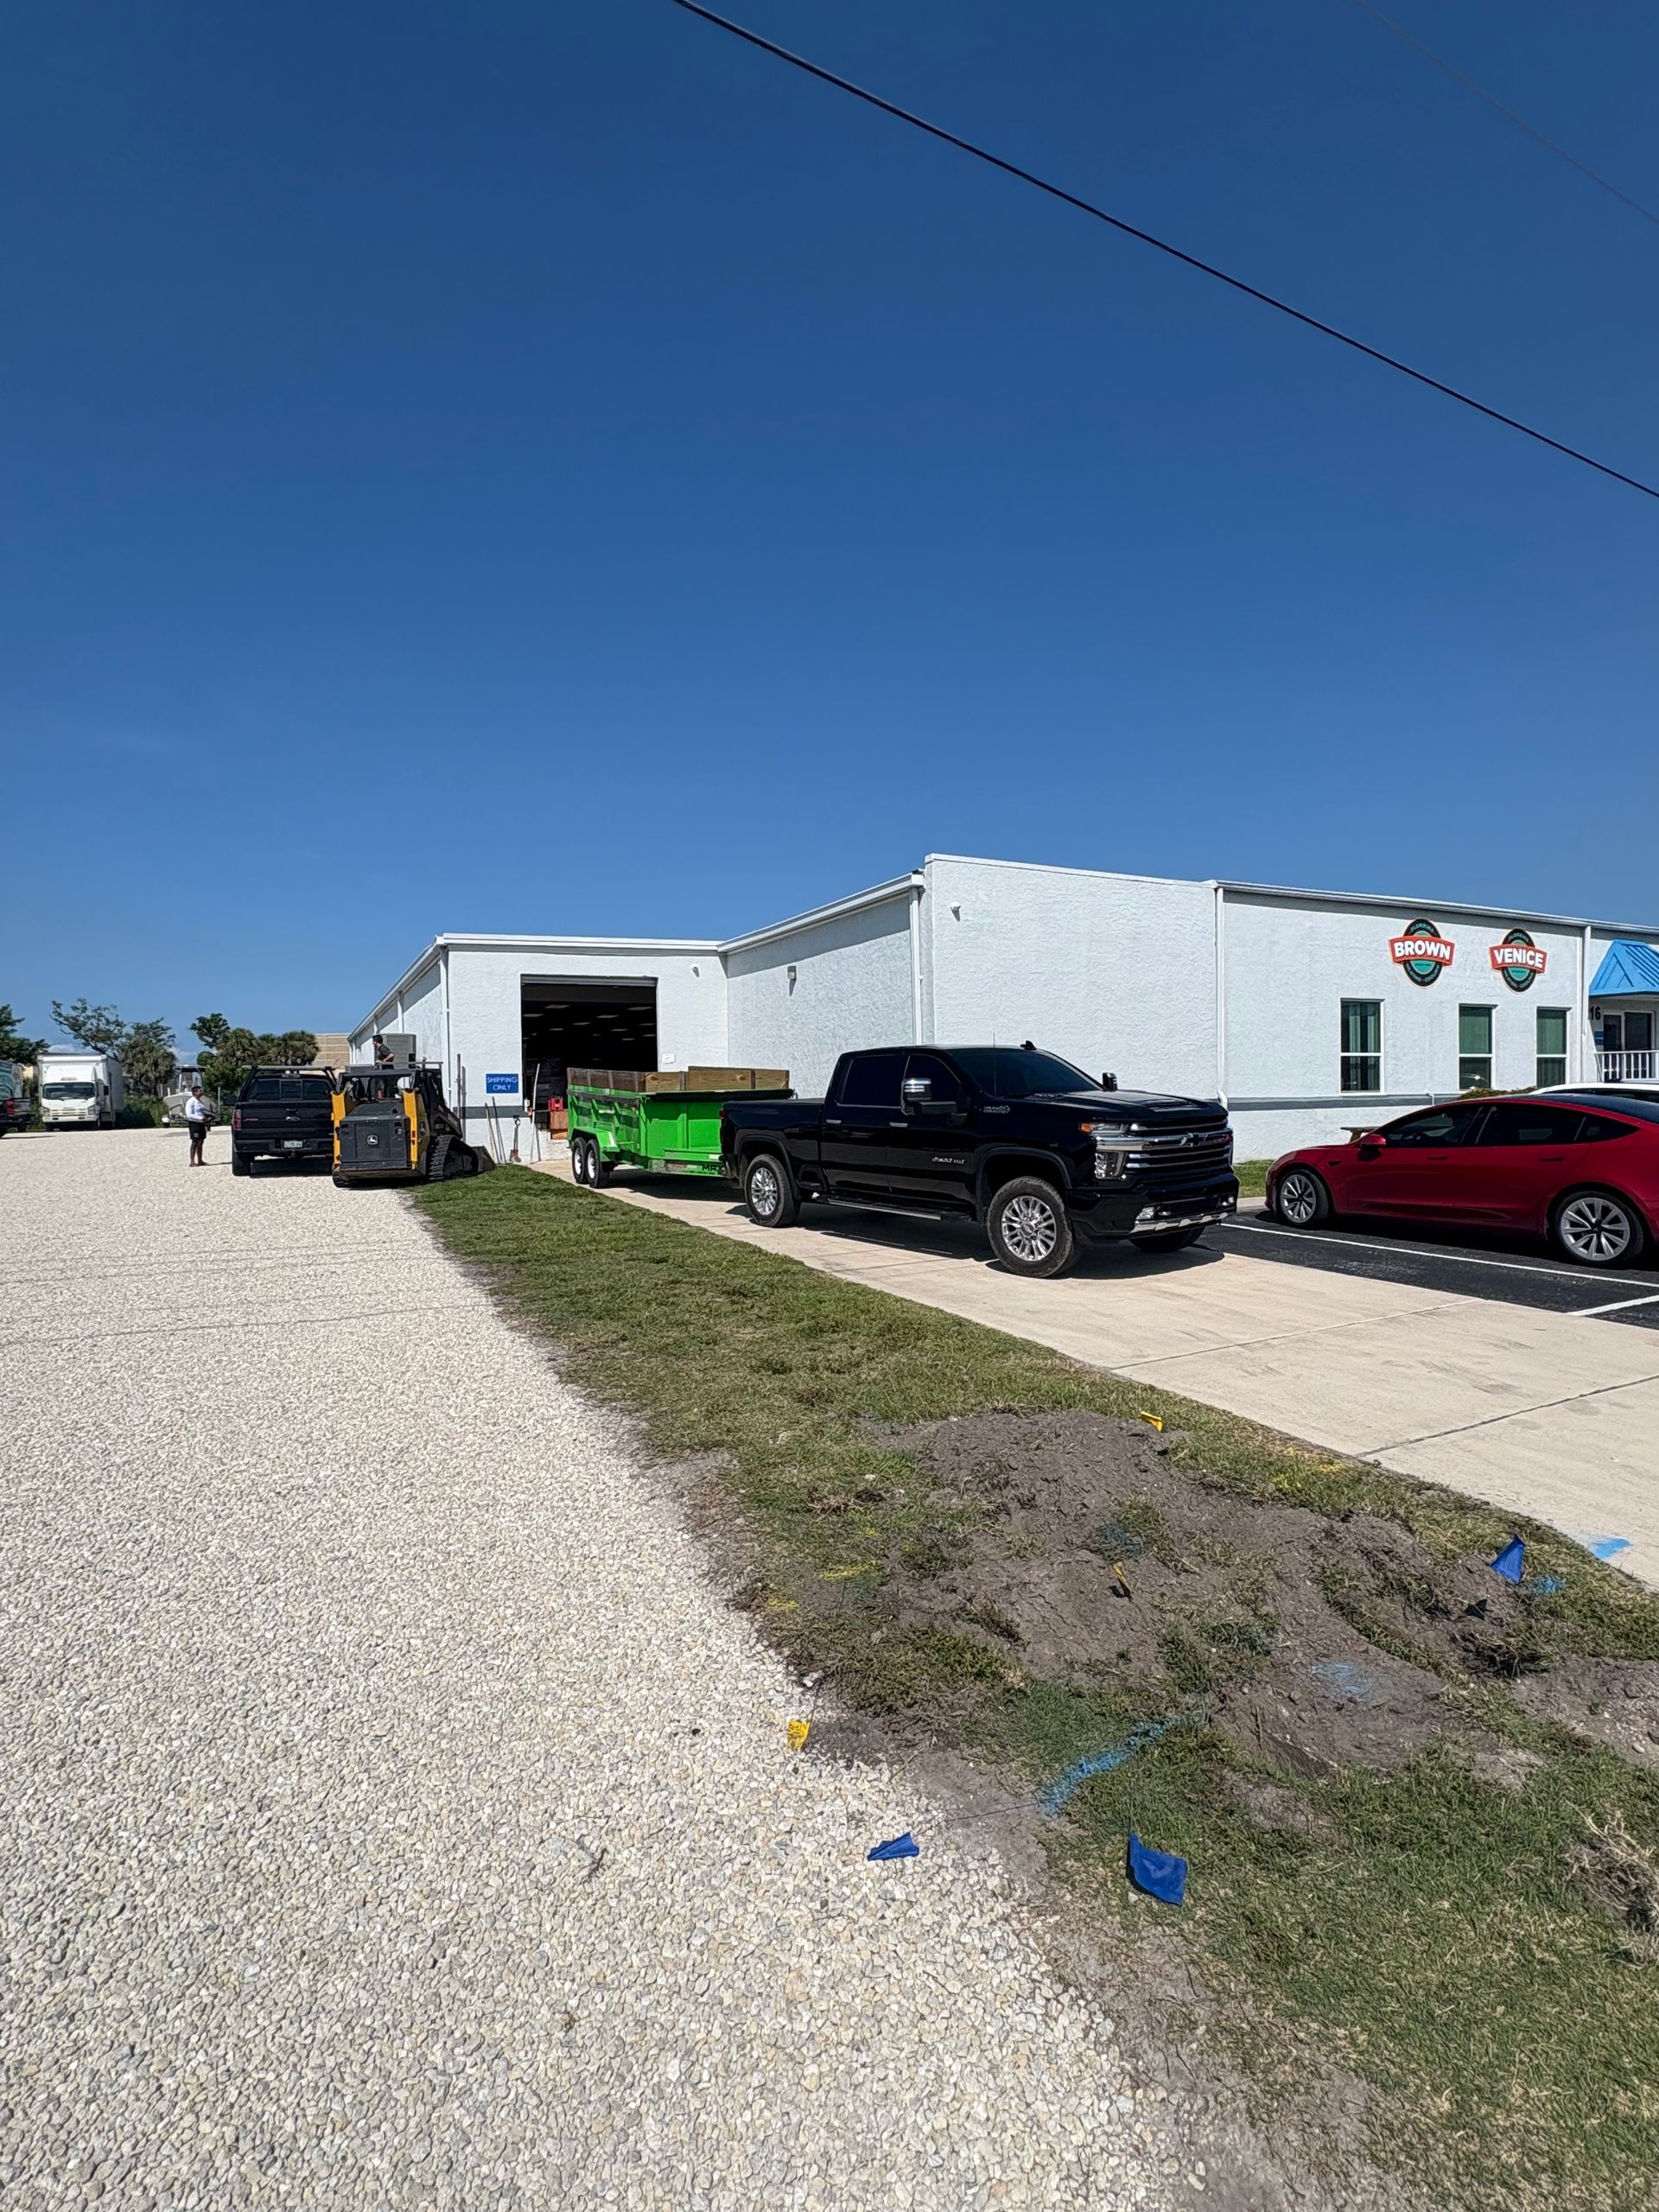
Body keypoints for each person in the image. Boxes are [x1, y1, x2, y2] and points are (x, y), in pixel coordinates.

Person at [185, 1081, 211, 1166]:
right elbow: (189, 1115)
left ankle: (200, 1160)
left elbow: (200, 1112)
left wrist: (207, 1116)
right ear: (195, 1092)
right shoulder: (191, 1102)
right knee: (195, 1142)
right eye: (200, 1091)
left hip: (201, 1124)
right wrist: (200, 1118)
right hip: (194, 1124)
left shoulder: (199, 1101)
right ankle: (192, 1161)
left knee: (201, 1142)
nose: (202, 1092)